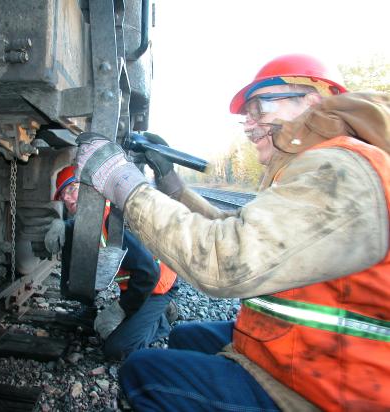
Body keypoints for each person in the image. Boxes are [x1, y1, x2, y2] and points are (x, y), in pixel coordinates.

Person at [73, 54, 390, 411]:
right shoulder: (326, 165)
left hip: (327, 394)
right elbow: (237, 229)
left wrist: (122, 182)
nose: (249, 124)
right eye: (246, 116)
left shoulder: (343, 170)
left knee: (142, 372)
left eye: (260, 107)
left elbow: (226, 260)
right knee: (182, 336)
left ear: (312, 101)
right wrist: (171, 183)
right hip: (313, 356)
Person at [48, 165, 179, 360]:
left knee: (116, 349)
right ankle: (144, 314)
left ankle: (161, 320)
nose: (66, 198)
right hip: (135, 285)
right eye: (62, 196)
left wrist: (120, 309)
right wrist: (59, 224)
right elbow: (73, 226)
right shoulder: (91, 217)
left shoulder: (114, 220)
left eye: (71, 189)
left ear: (90, 188)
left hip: (156, 286)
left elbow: (149, 274)